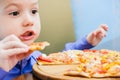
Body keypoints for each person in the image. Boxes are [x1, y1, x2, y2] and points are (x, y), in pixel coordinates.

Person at [0, 0, 108, 80]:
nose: (29, 21)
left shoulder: (35, 55)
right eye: (14, 13)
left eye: (33, 11)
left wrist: (86, 42)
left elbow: (59, 61)